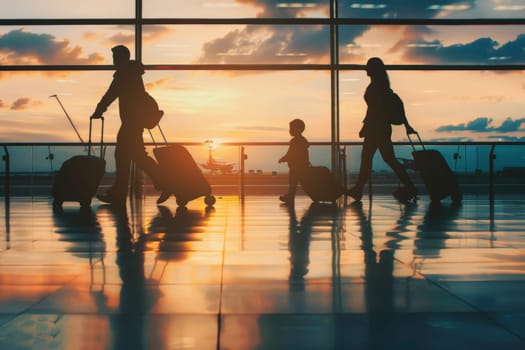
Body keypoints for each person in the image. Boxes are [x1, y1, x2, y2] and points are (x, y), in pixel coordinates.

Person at [91, 45, 170, 208]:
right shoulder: (133, 73)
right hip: (134, 122)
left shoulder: (124, 74)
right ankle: (122, 192)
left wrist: (99, 110)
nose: (113, 61)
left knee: (127, 156)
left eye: (115, 58)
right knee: (131, 157)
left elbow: (111, 93)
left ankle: (163, 182)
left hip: (130, 123)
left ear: (121, 58)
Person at [347, 57, 418, 202]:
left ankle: (358, 190)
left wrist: (366, 126)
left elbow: (374, 110)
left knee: (368, 160)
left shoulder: (376, 87)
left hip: (376, 129)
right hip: (382, 128)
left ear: (372, 70)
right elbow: (374, 109)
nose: (366, 69)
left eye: (368, 67)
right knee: (388, 160)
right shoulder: (382, 86)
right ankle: (410, 187)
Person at [278, 118, 310, 205]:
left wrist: (283, 159)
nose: (290, 130)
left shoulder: (294, 141)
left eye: (291, 128)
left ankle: (290, 197)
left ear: (296, 130)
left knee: (293, 183)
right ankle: (290, 196)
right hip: (302, 166)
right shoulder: (302, 140)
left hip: (296, 167)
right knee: (296, 183)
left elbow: (290, 154)